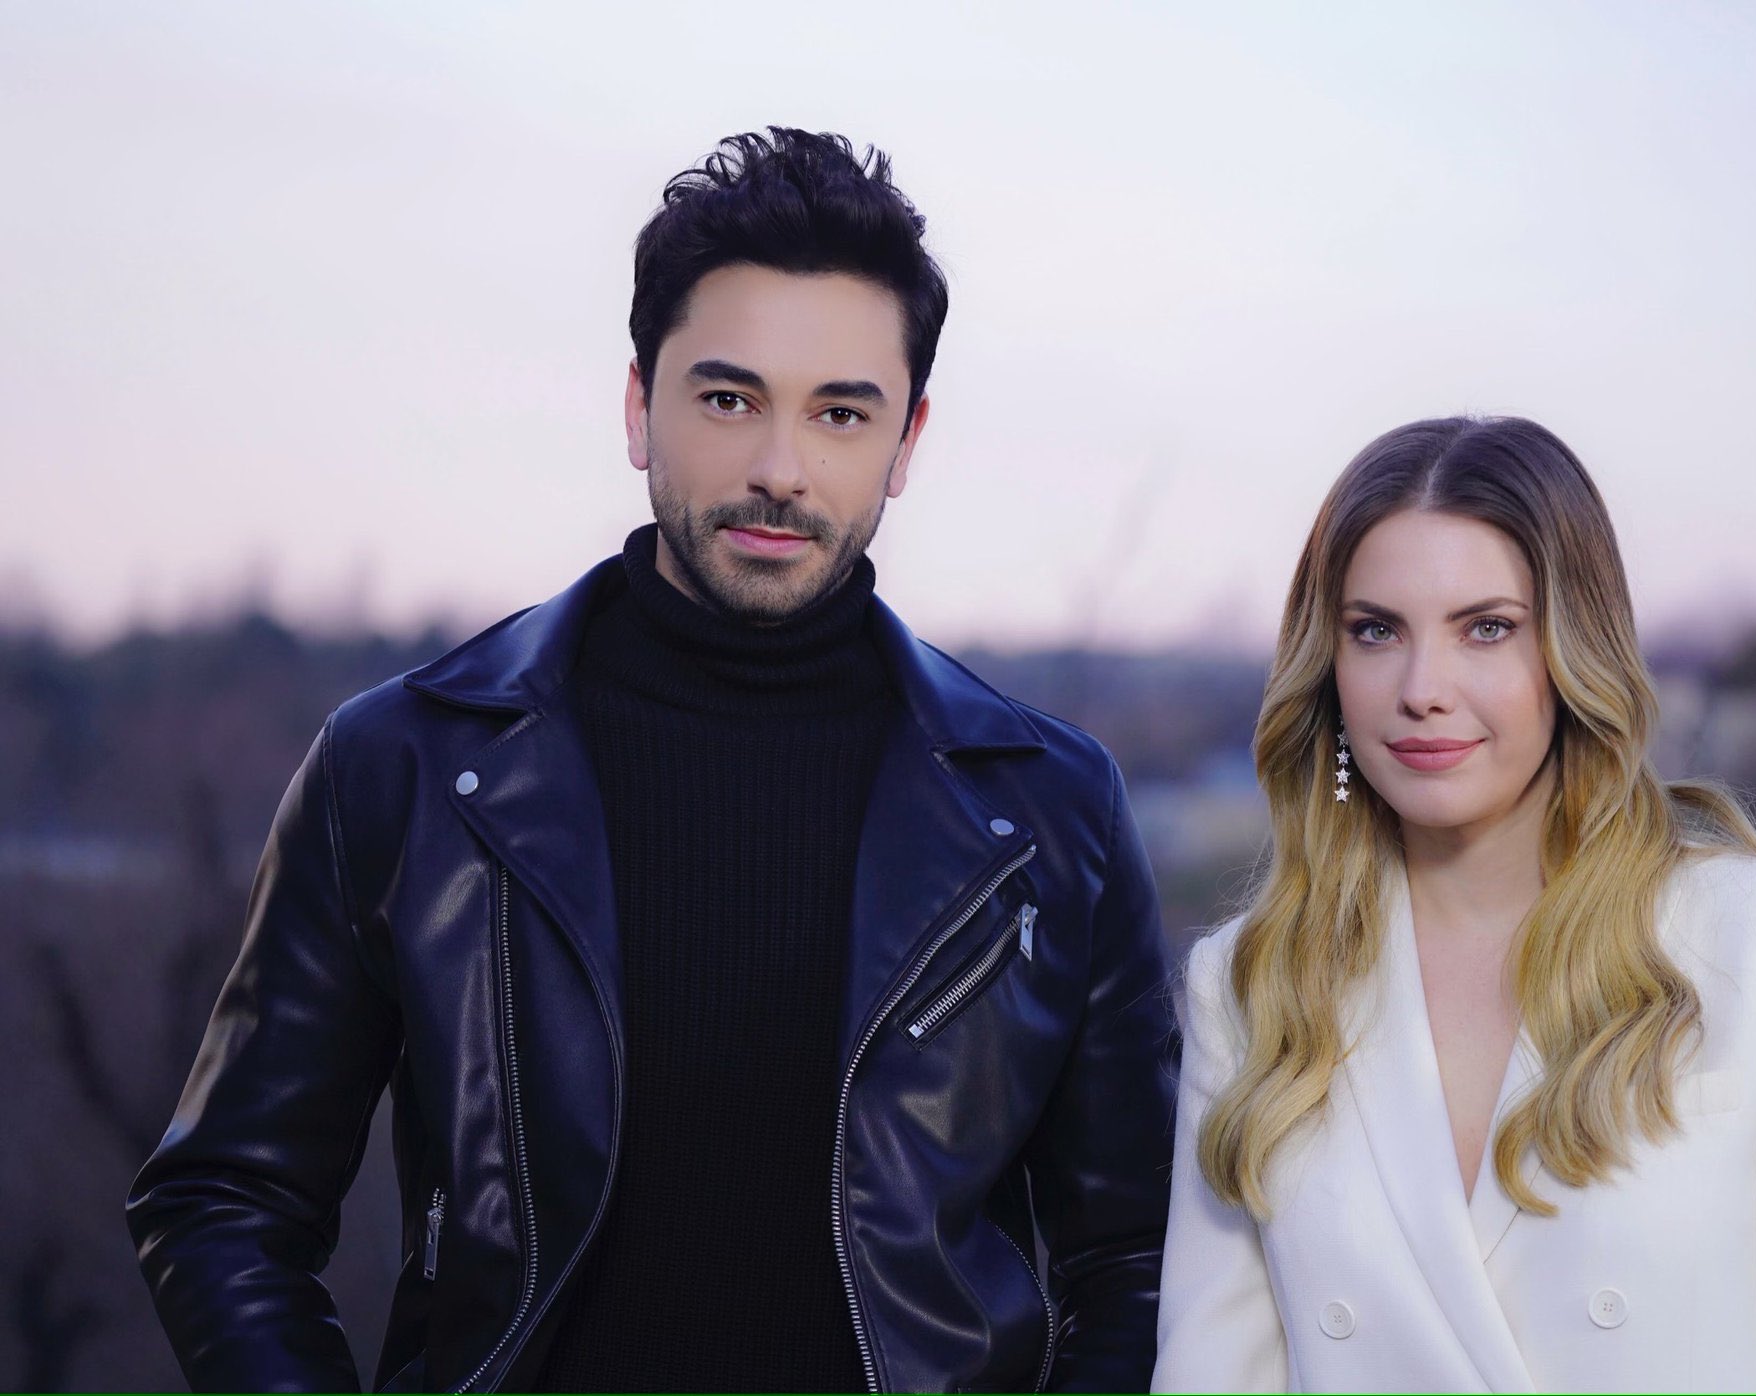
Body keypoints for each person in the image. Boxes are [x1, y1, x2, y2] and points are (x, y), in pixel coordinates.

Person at [128, 127, 1175, 1394]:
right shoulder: (403, 766)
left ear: (905, 442)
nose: (779, 469)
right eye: (728, 400)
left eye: (840, 414)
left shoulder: (1047, 808)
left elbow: (1136, 1258)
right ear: (639, 407)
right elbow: (225, 1199)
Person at [1153, 416, 1756, 1393]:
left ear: (1573, 650)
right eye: (1375, 630)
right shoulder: (1250, 984)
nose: (1422, 689)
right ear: (1327, 665)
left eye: (1486, 627)